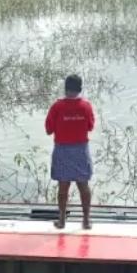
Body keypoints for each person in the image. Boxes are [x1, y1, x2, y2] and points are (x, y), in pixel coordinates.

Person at [45, 74, 95, 230]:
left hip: (62, 150)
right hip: (80, 150)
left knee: (63, 186)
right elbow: (90, 127)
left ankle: (61, 221)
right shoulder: (86, 106)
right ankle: (86, 221)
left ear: (65, 88)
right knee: (83, 185)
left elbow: (48, 130)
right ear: (80, 89)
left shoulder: (56, 107)